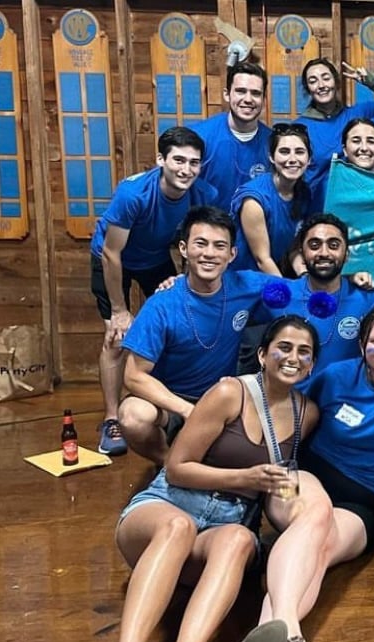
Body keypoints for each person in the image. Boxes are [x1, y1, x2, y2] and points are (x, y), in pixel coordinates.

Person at [213, 305, 374, 642]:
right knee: (316, 514)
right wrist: (240, 394)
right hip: (298, 477)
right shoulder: (336, 376)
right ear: (362, 345)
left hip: (363, 502)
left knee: (319, 552)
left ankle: (264, 639)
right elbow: (282, 401)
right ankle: (290, 634)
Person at [104, 316, 317, 642]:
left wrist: (299, 511)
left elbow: (280, 484)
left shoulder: (307, 413)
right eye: (284, 348)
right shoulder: (229, 393)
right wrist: (244, 478)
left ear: (312, 364)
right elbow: (177, 468)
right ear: (263, 354)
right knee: (178, 527)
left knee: (240, 540)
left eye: (304, 352)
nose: (293, 357)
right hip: (167, 506)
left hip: (226, 524)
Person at [91, 127, 217, 456]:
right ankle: (111, 418)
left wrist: (181, 279)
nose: (186, 169)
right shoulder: (133, 194)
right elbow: (112, 253)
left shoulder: (202, 194)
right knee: (117, 337)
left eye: (194, 162)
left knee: (177, 321)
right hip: (113, 258)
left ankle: (165, 405)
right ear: (161, 160)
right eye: (178, 160)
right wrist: (119, 310)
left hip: (155, 257)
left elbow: (195, 246)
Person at [118, 206, 276, 465]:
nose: (209, 253)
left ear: (232, 254)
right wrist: (187, 410)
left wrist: (347, 282)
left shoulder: (248, 285)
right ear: (183, 248)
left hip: (221, 397)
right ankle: (171, 464)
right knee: (132, 416)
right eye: (200, 244)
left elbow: (302, 292)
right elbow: (133, 376)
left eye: (219, 246)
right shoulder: (161, 304)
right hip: (170, 401)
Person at [281, 213, 374, 374]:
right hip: (290, 389)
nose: (324, 253)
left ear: (346, 254)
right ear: (302, 254)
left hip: (345, 390)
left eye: (333, 245)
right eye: (314, 245)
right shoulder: (281, 296)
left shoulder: (369, 299)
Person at [231, 122, 317, 275]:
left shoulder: (304, 193)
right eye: (284, 152)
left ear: (309, 159)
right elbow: (262, 260)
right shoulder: (254, 199)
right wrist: (287, 287)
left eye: (299, 152)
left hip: (272, 274)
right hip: (243, 278)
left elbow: (293, 247)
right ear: (271, 157)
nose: (292, 159)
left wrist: (304, 275)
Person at [190, 62, 271, 211]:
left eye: (255, 93)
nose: (248, 99)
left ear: (264, 99)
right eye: (241, 91)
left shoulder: (273, 143)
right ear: (227, 94)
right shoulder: (198, 137)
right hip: (207, 223)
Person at [294, 58, 374, 183]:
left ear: (336, 82)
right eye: (313, 81)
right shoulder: (299, 128)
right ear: (308, 88)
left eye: (326, 78)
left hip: (355, 192)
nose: (321, 85)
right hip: (317, 195)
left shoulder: (358, 114)